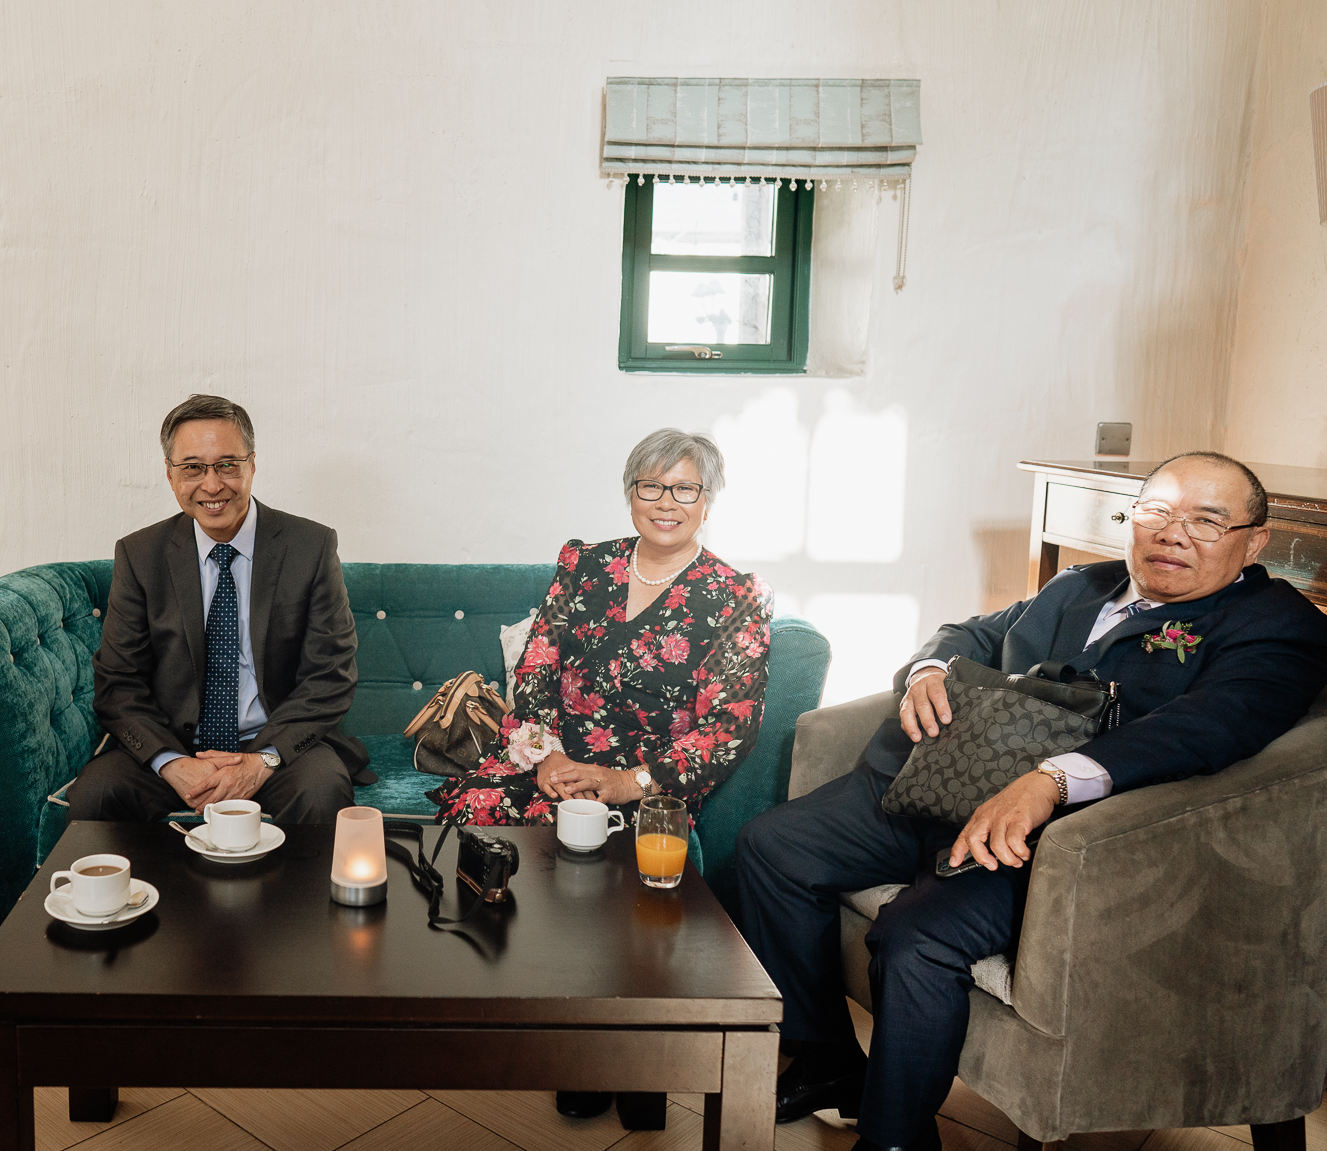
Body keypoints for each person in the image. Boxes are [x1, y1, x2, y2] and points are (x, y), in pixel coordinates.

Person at [735, 451, 1327, 1151]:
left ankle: (895, 1140)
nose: (1173, 534)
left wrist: (1051, 781)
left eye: (1206, 521)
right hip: (940, 788)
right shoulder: (1081, 583)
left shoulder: (1276, 625)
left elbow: (1207, 729)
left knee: (916, 937)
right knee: (770, 848)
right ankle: (830, 1059)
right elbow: (976, 633)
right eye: (1158, 512)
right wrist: (928, 670)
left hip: (1065, 840)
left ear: (1254, 541)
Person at [430, 428, 773, 1132]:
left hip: (649, 783)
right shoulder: (586, 564)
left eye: (685, 488)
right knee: (494, 819)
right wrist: (547, 754)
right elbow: (534, 671)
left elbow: (727, 728)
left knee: (611, 862)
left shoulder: (734, 596)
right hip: (552, 767)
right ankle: (567, 1048)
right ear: (631, 492)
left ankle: (640, 1067)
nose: (666, 502)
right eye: (651, 486)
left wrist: (627, 782)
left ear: (709, 500)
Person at [66, 393, 369, 824]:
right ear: (170, 475)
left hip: (276, 749)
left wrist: (262, 761)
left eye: (228, 465)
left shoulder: (311, 547)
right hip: (174, 745)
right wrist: (171, 762)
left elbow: (329, 677)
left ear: (251, 465)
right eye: (193, 468)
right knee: (98, 794)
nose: (212, 485)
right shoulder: (139, 555)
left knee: (322, 793)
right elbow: (119, 683)